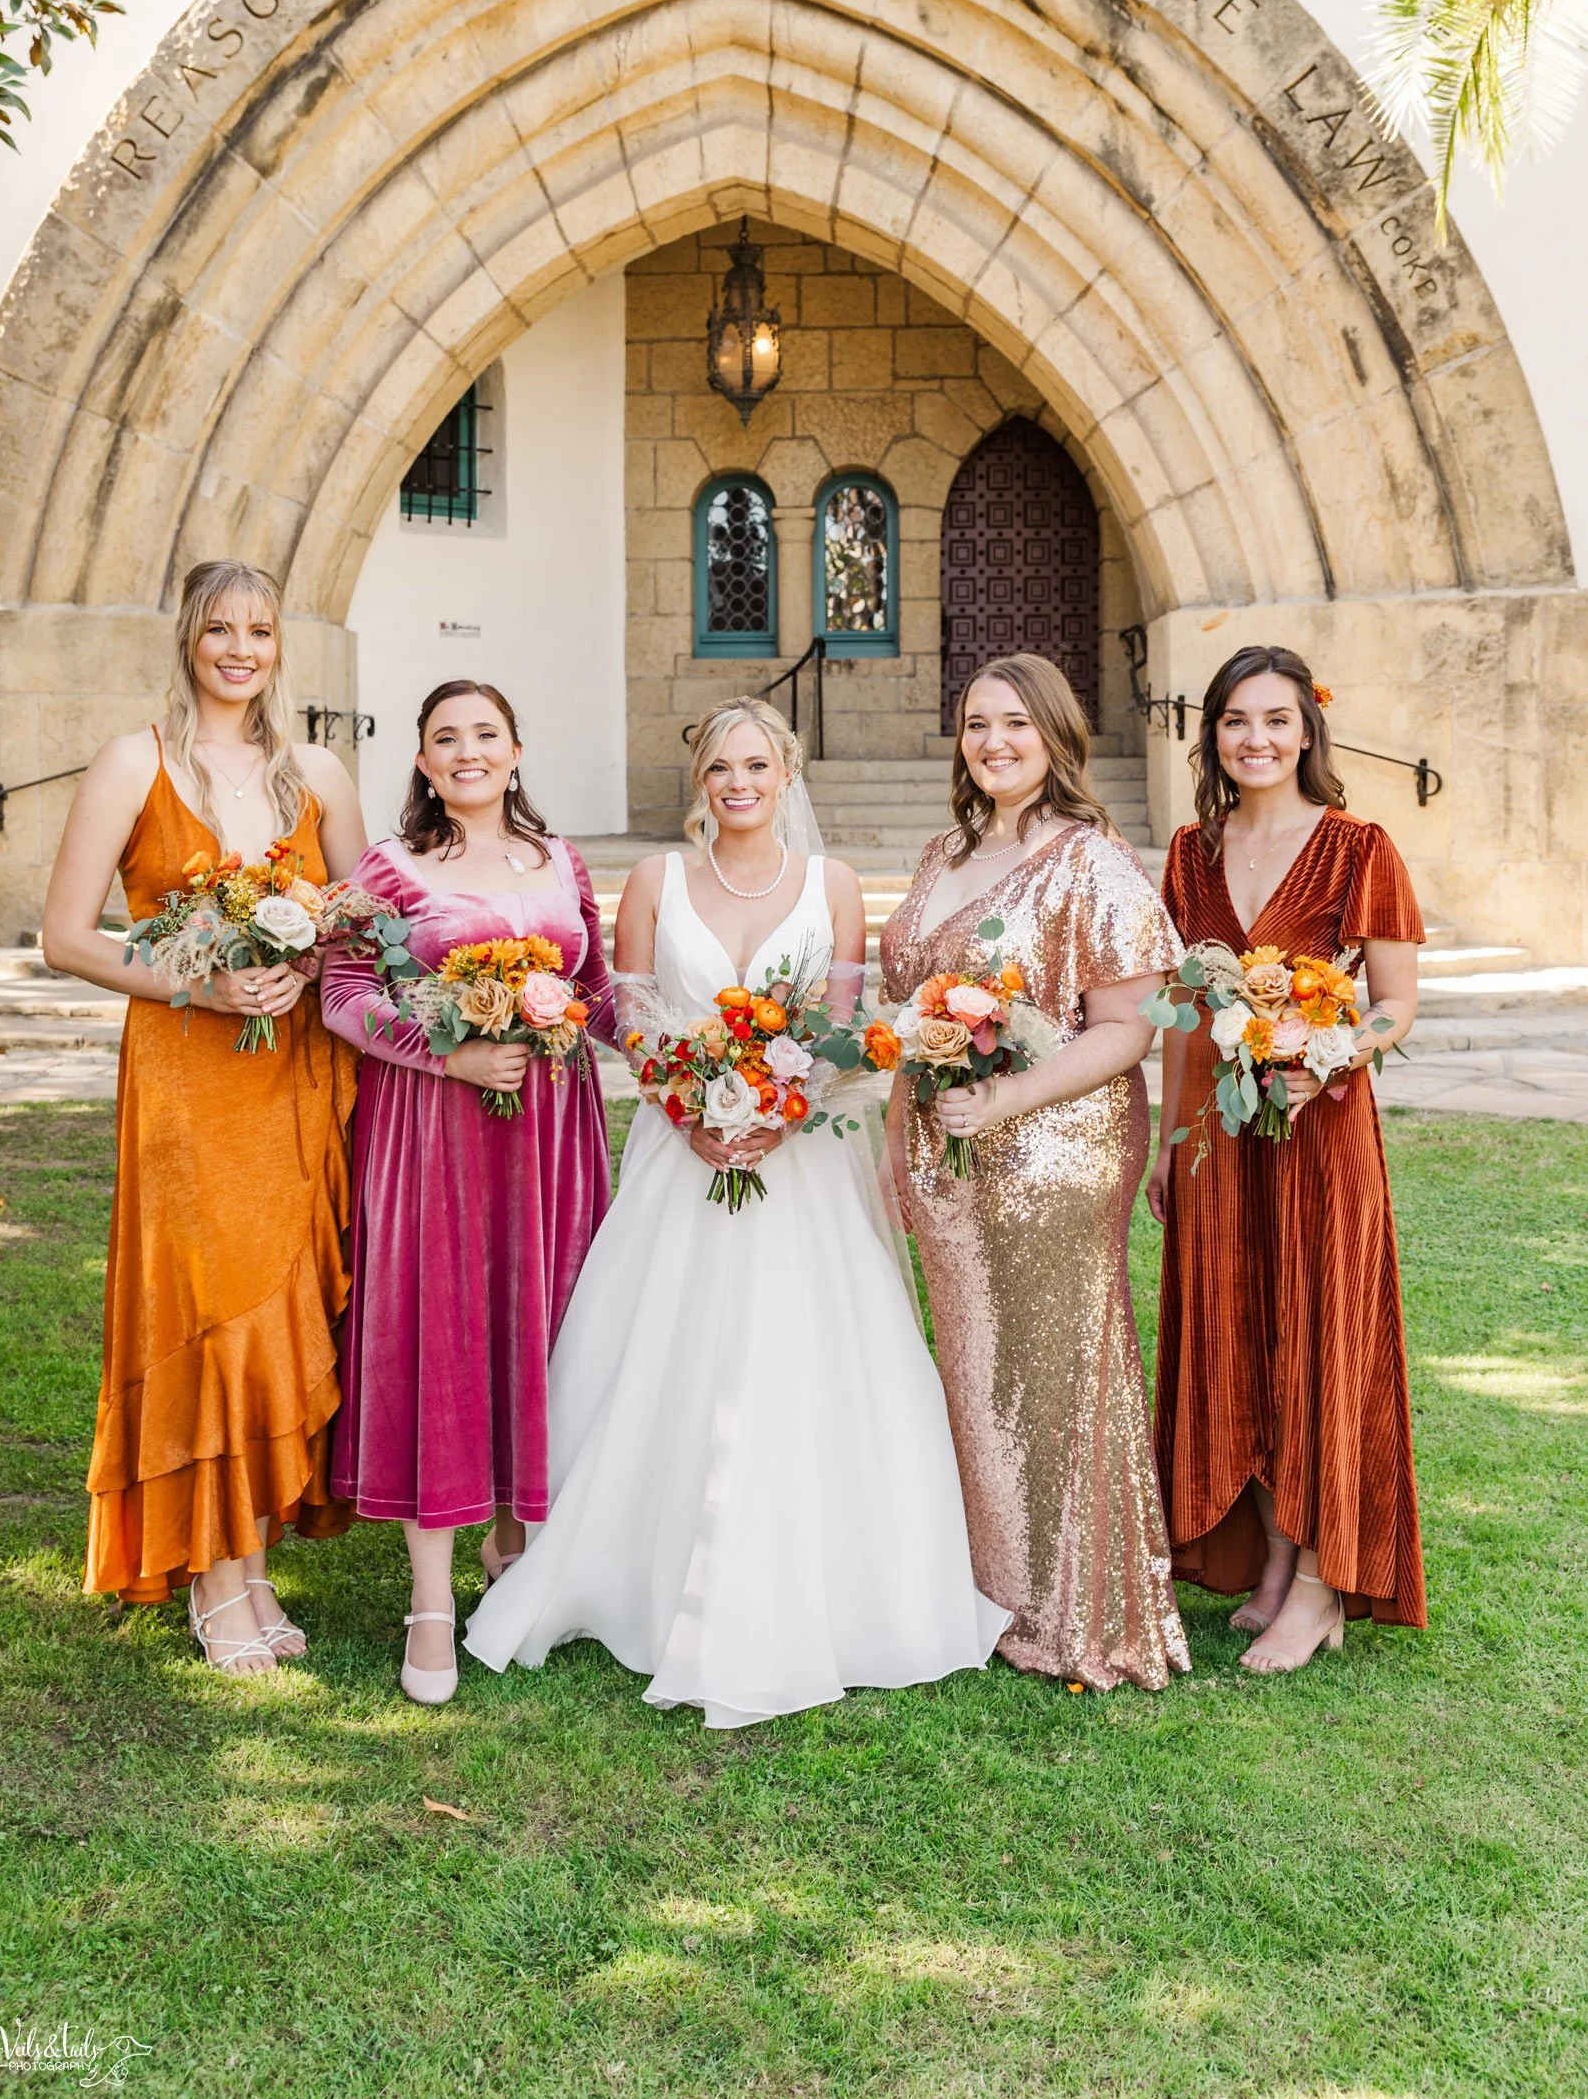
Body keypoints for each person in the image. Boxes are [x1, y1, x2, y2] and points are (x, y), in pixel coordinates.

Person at [466, 696, 1008, 1727]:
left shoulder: (833, 886)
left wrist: (780, 1111)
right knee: (660, 1349)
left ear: (787, 772)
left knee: (811, 1357)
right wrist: (694, 1105)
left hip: (800, 1163)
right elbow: (623, 1017)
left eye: (755, 764)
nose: (737, 783)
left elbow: (846, 1028)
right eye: (719, 766)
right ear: (700, 780)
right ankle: (624, 1564)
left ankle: (839, 1578)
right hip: (681, 1153)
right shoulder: (656, 882)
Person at [42, 559, 366, 1672]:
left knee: (283, 1310)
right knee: (209, 1305)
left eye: (260, 629)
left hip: (297, 1074)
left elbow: (363, 927)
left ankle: (254, 1560)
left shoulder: (315, 769)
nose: (239, 647)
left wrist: (311, 964)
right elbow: (68, 936)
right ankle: (213, 1575)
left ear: (281, 645)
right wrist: (197, 980)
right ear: (189, 637)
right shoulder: (136, 761)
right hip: (189, 1077)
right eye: (219, 628)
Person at [879, 652, 1189, 1693]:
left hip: (1053, 1144)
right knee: (974, 1371)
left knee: (1051, 1373)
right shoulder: (943, 849)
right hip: (944, 1143)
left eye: (1014, 723)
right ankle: (987, 1587)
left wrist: (1008, 1099)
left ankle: (1071, 1608)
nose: (992, 742)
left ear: (1055, 735)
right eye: (975, 724)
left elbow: (1124, 1029)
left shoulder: (1087, 859)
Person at [319, 680, 614, 1705]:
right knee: (440, 1338)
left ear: (517, 748)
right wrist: (448, 1059)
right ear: (423, 763)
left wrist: (708, 1058)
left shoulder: (559, 859)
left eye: (485, 733)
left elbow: (600, 995)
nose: (468, 751)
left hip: (553, 1136)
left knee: (544, 1327)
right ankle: (429, 1600)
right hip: (434, 1133)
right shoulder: (389, 870)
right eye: (446, 738)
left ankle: (515, 1550)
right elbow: (345, 996)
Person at [1147, 645, 1425, 1671]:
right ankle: (1268, 1558)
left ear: (1307, 729)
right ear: (1211, 734)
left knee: (1314, 1334)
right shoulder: (1186, 852)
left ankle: (1319, 1584)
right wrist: (1167, 1144)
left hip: (1320, 1135)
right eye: (1232, 720)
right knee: (1237, 1335)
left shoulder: (1359, 847)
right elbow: (1182, 1014)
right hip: (1217, 1138)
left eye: (1273, 719)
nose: (1253, 739)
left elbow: (1393, 1003)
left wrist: (1333, 1048)